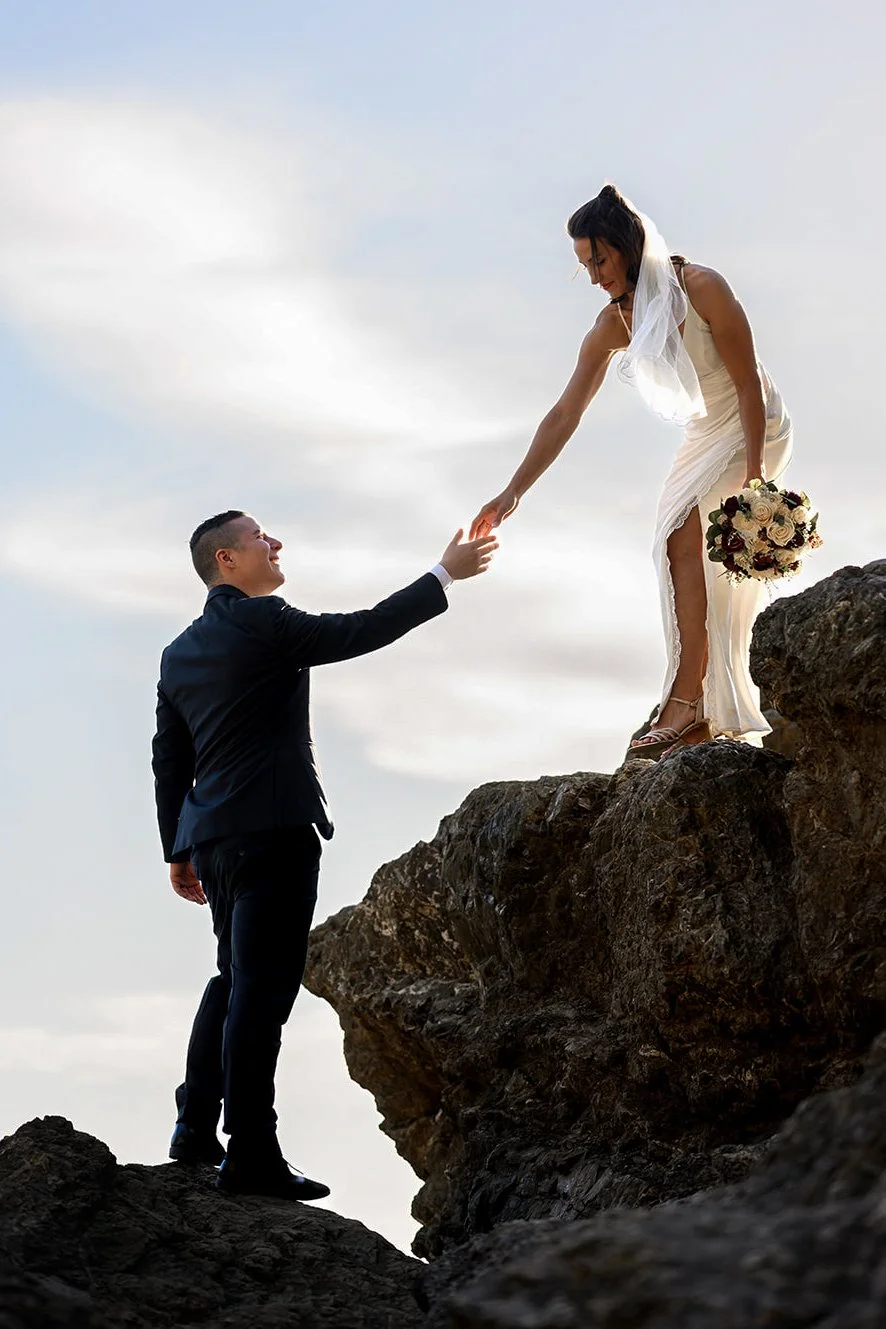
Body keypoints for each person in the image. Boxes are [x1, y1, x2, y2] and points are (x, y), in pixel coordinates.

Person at [152, 511, 497, 1200]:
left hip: (214, 838)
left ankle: (194, 1129)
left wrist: (177, 846)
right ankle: (251, 1152)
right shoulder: (268, 622)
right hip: (275, 830)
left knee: (232, 976)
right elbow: (360, 630)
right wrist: (443, 574)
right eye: (259, 538)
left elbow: (169, 757)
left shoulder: (178, 651)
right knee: (261, 991)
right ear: (226, 559)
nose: (274, 543)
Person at [470, 184, 793, 759]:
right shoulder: (612, 324)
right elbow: (565, 412)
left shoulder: (702, 288)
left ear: (625, 244)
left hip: (754, 424)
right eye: (583, 265)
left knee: (684, 534)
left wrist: (756, 480)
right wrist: (511, 492)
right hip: (703, 433)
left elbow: (748, 383)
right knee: (672, 543)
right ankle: (696, 701)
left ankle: (688, 701)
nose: (593, 275)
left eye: (598, 258)